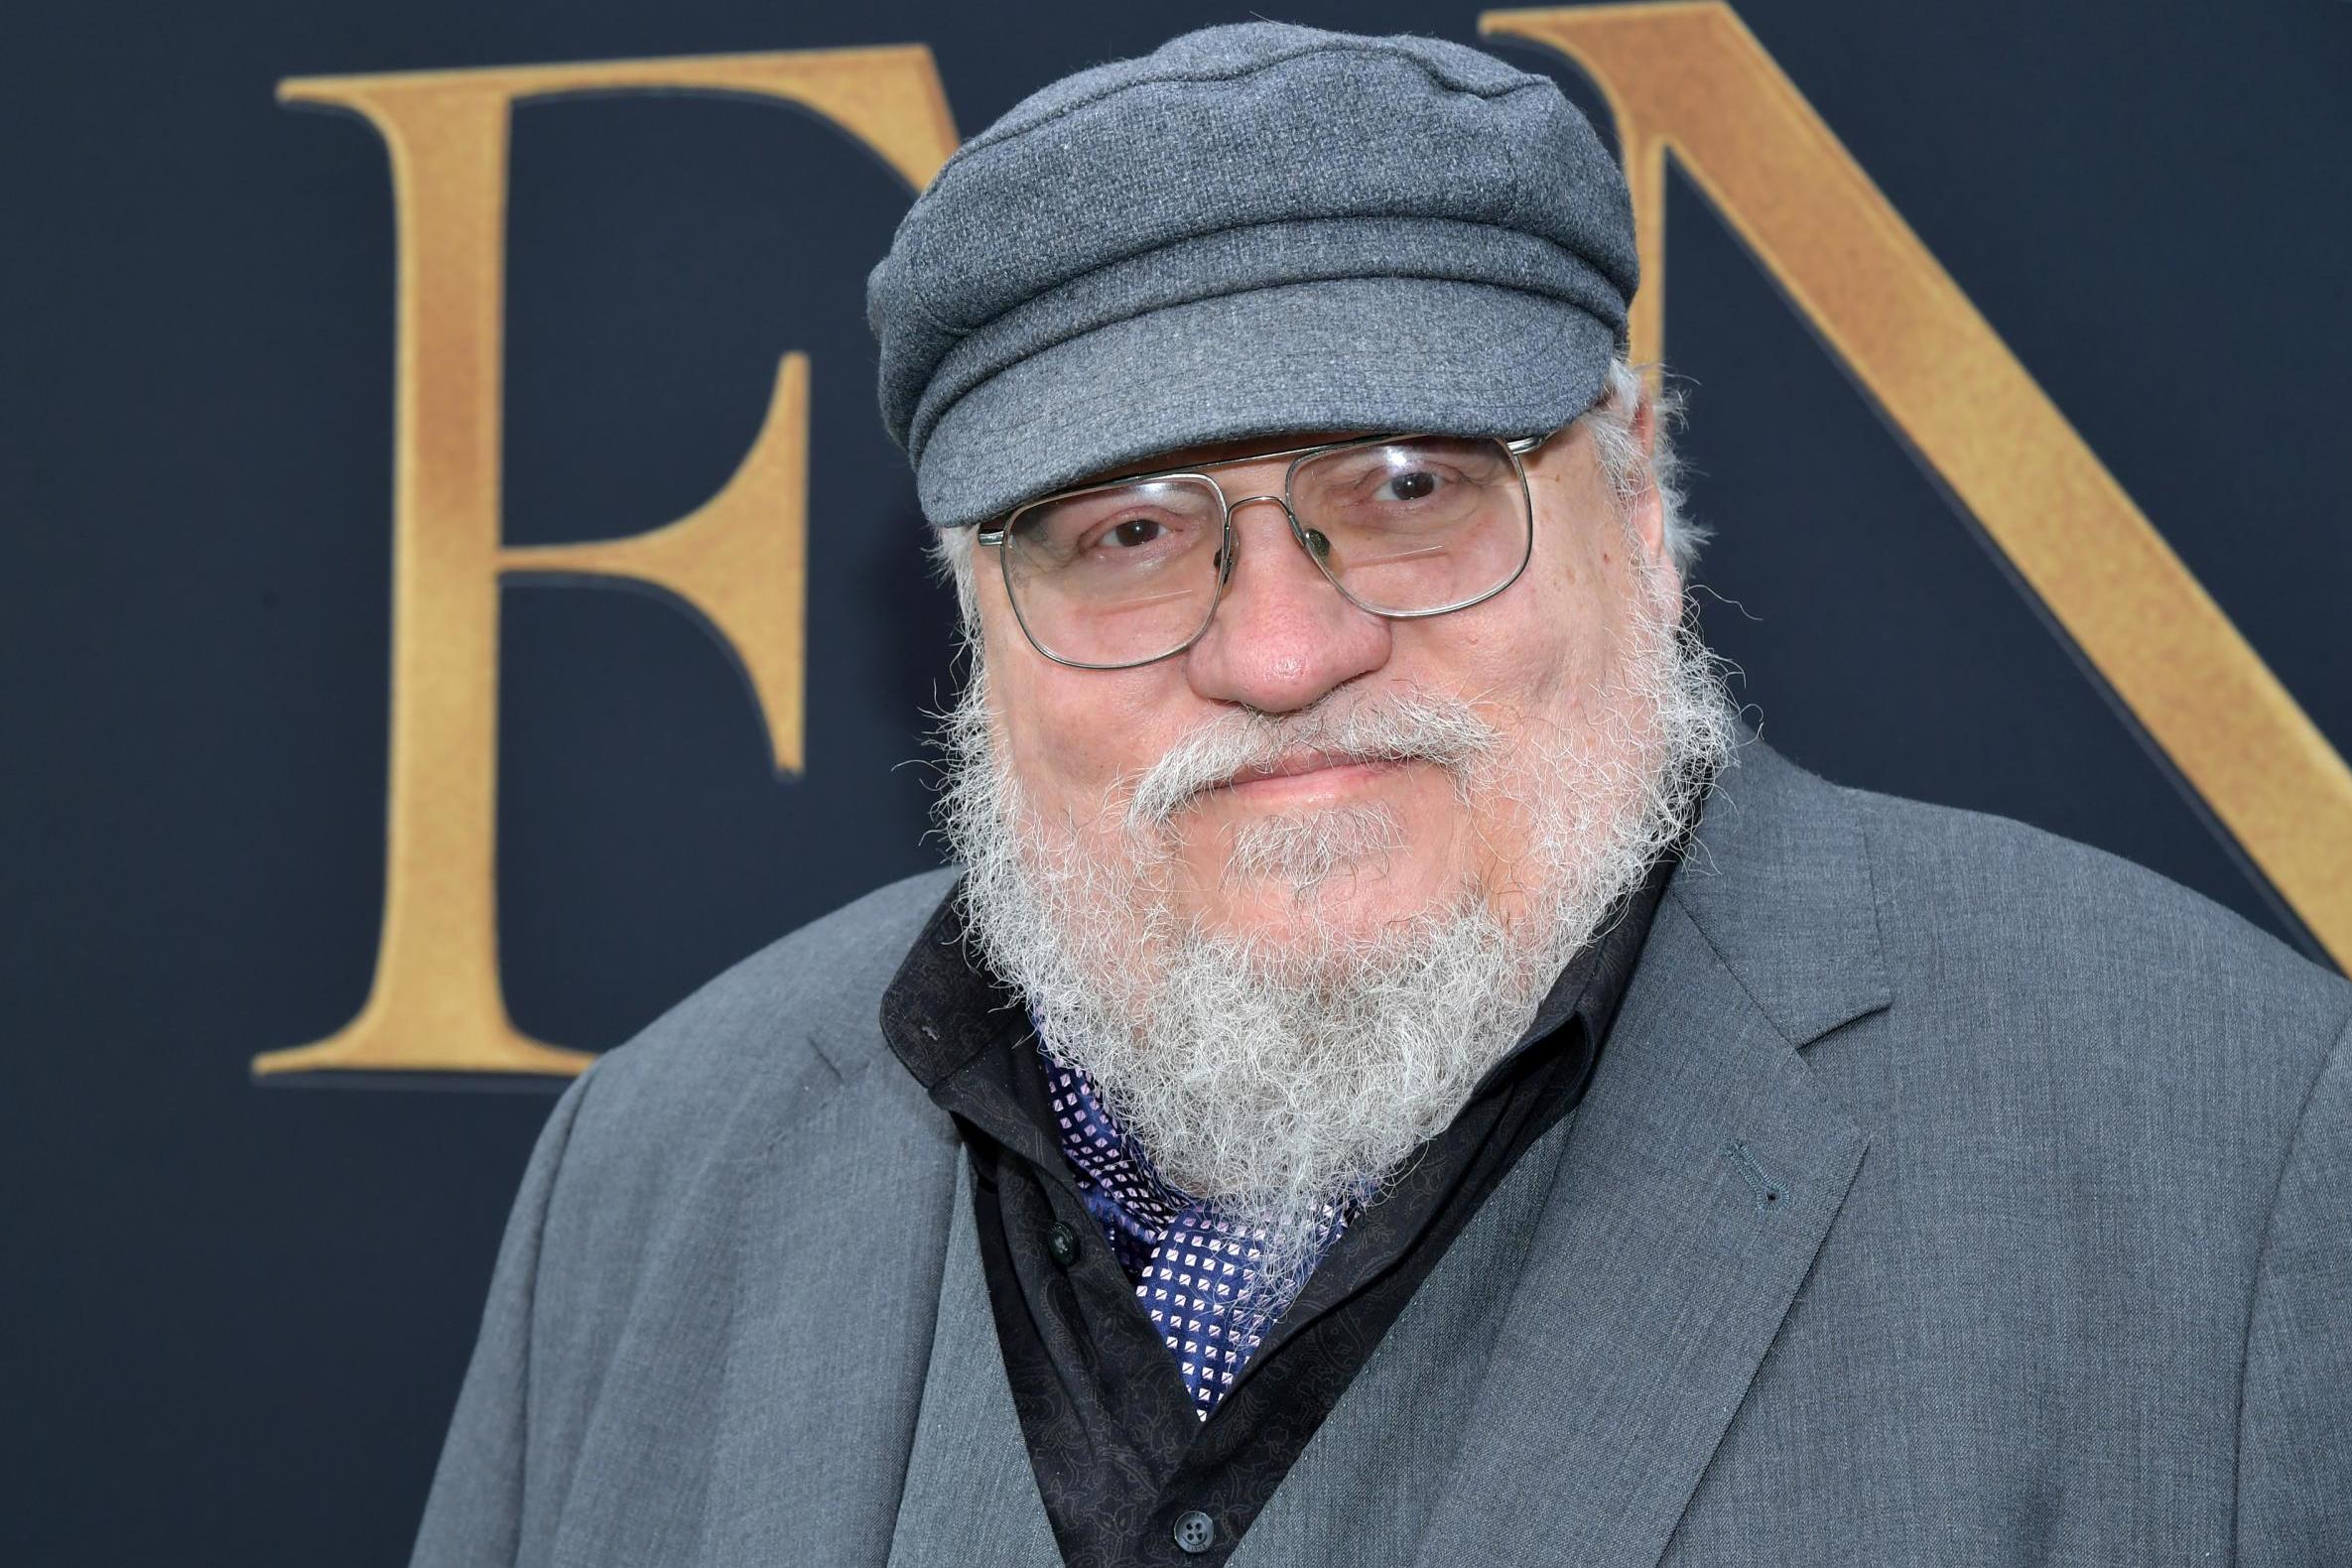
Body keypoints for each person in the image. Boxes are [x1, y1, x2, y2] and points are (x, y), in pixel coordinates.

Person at [410, 23, 2349, 1568]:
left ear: (1638, 507)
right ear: (977, 625)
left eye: (1408, 490)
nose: (1274, 651)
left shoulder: (2241, 1157)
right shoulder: (650, 1176)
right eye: (1127, 532)